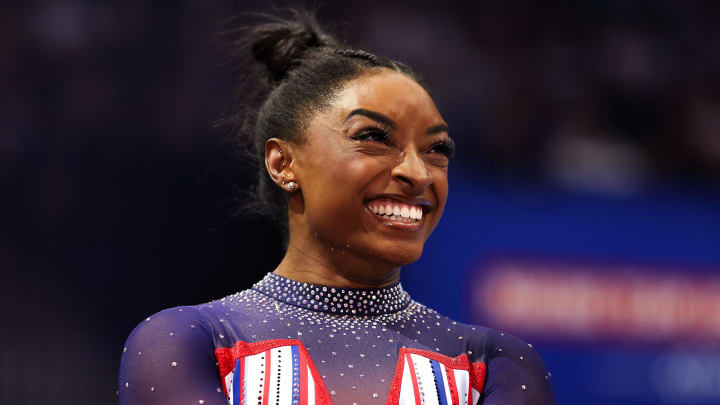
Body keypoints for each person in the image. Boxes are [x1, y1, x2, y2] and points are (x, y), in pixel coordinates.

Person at [118, 9, 555, 405]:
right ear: (283, 163)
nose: (419, 173)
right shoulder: (188, 342)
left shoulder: (495, 364)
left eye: (437, 149)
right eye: (374, 137)